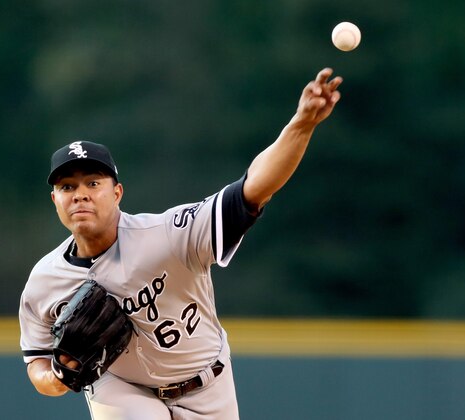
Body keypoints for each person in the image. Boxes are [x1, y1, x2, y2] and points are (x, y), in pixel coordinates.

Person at [19, 68, 343, 419]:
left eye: (93, 183)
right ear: (55, 200)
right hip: (120, 388)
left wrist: (301, 125)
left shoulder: (169, 234)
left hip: (207, 383)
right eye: (67, 187)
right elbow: (36, 362)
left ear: (117, 193)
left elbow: (254, 188)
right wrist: (56, 377)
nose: (80, 195)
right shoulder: (44, 280)